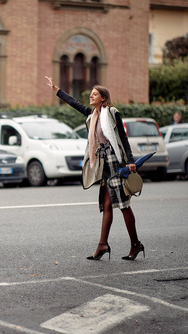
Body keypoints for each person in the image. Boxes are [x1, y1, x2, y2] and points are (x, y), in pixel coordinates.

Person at [45, 76, 145, 261]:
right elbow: (74, 103)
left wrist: (130, 161)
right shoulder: (92, 115)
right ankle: (103, 245)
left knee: (123, 205)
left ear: (103, 99)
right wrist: (56, 89)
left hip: (116, 161)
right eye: (91, 94)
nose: (91, 96)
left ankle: (135, 244)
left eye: (94, 94)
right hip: (103, 164)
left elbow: (123, 138)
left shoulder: (113, 113)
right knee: (106, 205)